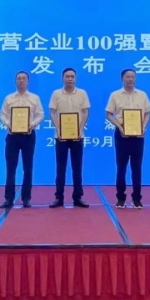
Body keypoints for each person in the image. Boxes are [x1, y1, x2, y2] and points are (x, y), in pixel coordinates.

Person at [106, 69, 150, 209]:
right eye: (128, 77)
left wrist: (143, 126)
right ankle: (120, 198)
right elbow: (109, 114)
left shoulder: (142, 95)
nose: (130, 79)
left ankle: (137, 199)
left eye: (133, 77)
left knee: (136, 167)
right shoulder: (115, 95)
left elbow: (147, 113)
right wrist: (120, 127)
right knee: (121, 167)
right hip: (122, 134)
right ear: (122, 79)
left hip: (138, 135)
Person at [0, 71, 44, 208]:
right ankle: (9, 198)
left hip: (28, 135)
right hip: (12, 136)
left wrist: (32, 124)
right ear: (15, 81)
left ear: (28, 81)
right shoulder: (9, 98)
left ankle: (26, 198)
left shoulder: (34, 98)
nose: (21, 80)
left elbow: (40, 115)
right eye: (19, 78)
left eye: (24, 78)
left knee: (28, 167)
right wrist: (9, 124)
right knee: (11, 167)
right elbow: (2, 115)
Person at [48, 68, 90, 208]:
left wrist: (80, 129)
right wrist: (59, 129)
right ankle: (59, 198)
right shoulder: (56, 94)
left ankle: (78, 197)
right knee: (60, 168)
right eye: (67, 76)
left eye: (72, 76)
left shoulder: (82, 93)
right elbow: (52, 113)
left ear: (75, 78)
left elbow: (85, 112)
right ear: (63, 78)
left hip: (78, 136)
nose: (70, 79)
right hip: (61, 137)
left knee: (77, 167)